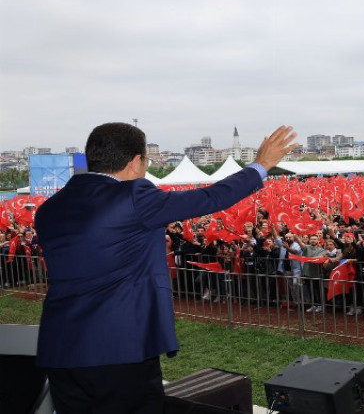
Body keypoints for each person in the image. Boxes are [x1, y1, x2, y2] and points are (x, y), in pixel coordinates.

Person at [34, 122, 297, 413]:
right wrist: (260, 165)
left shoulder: (49, 209)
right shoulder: (133, 197)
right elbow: (210, 197)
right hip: (119, 350)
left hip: (59, 349)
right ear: (136, 162)